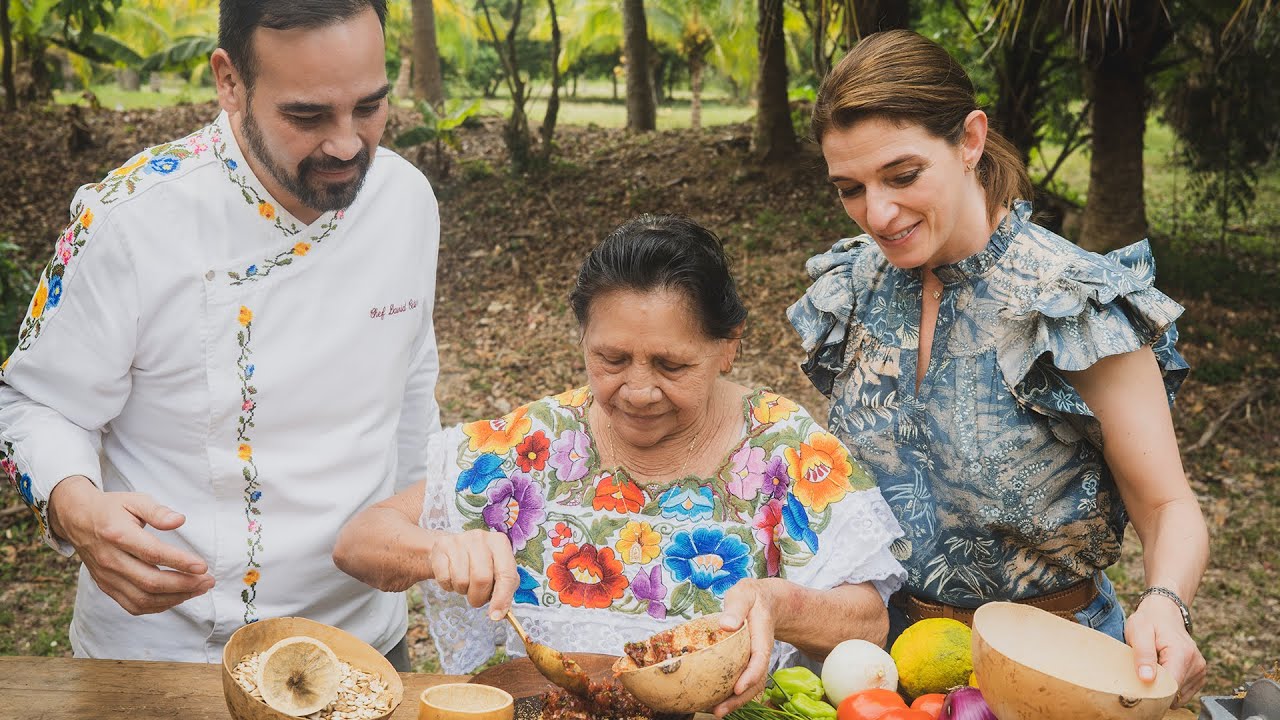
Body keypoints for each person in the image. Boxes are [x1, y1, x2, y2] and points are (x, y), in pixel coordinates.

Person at [0, 0, 440, 669]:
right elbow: (32, 402)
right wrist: (75, 506)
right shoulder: (131, 219)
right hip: (164, 653)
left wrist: (419, 536)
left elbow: (412, 391)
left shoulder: (407, 201)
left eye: (370, 106)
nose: (349, 144)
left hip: (363, 643)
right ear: (229, 80)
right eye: (308, 115)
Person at [334, 215, 906, 715]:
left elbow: (867, 622)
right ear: (583, 338)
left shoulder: (784, 449)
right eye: (610, 359)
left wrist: (783, 604)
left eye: (671, 365)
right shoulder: (535, 444)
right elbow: (360, 542)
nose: (637, 390)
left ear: (728, 346)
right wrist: (436, 550)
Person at [788, 29, 1208, 706]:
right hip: (878, 674)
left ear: (970, 140)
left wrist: (1164, 601)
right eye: (850, 188)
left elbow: (1167, 505)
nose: (878, 212)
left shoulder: (1071, 302)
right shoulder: (854, 286)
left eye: (902, 175)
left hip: (1051, 673)